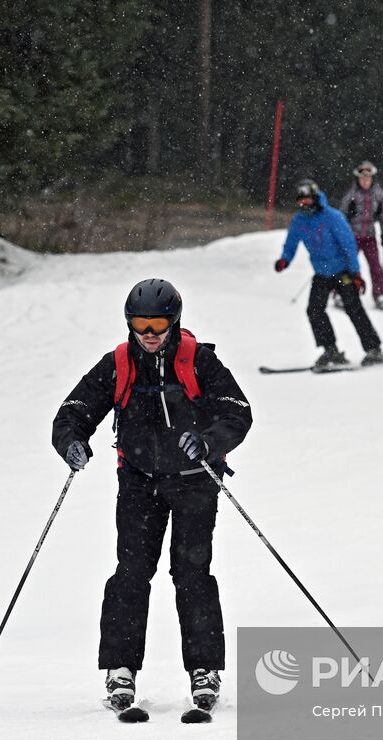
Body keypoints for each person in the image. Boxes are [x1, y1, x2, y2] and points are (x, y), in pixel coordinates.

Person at [51, 279, 253, 712]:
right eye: (140, 322)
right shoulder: (119, 363)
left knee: (192, 573)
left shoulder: (198, 361)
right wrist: (71, 441)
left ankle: (205, 669)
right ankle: (120, 670)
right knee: (131, 573)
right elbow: (75, 410)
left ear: (173, 321)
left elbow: (237, 411)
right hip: (139, 482)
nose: (149, 332)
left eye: (157, 322)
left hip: (195, 482)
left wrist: (209, 441)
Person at [274, 178, 383, 369]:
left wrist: (356, 273)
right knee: (314, 310)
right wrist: (284, 260)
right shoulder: (299, 221)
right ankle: (331, 350)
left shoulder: (332, 217)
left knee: (354, 309)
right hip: (321, 273)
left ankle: (374, 349)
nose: (304, 204)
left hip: (342, 271)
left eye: (308, 200)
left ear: (316, 198)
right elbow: (291, 243)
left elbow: (349, 245)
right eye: (300, 201)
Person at [340, 161, 383, 310]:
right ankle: (340, 293)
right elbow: (341, 215)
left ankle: (380, 295)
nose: (365, 181)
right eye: (362, 178)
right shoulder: (351, 195)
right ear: (358, 179)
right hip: (352, 236)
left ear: (372, 179)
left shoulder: (378, 195)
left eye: (368, 178)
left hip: (369, 236)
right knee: (348, 265)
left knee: (376, 267)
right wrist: (344, 228)